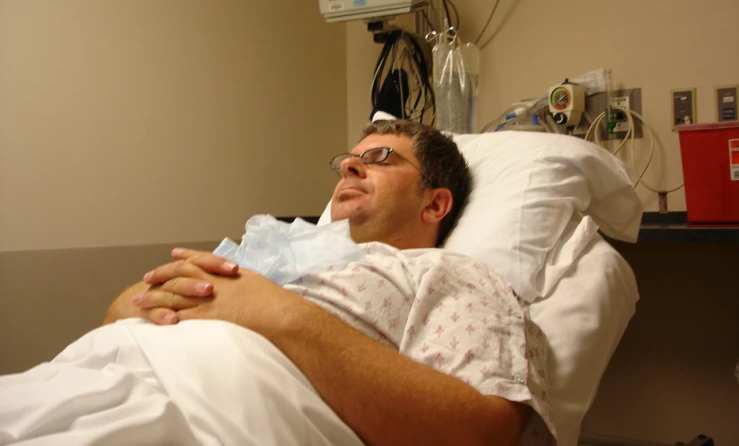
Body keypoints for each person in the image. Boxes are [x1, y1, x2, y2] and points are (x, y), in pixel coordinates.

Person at [1, 120, 553, 446]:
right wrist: (133, 303)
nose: (351, 169)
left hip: (206, 414)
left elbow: (487, 429)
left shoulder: (453, 275)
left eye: (379, 158)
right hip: (101, 374)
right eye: (348, 161)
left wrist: (277, 314)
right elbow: (127, 321)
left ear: (435, 202)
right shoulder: (271, 257)